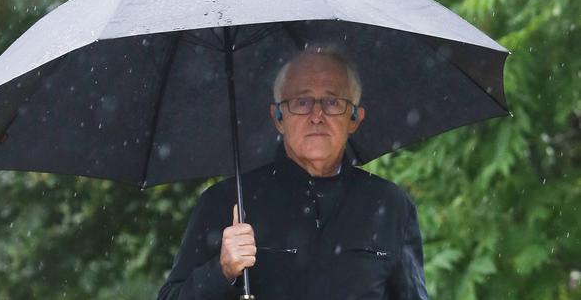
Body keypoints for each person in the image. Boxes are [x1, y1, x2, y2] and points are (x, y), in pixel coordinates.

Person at [157, 48, 429, 300]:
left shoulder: (391, 205)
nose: (317, 115)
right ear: (278, 118)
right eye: (301, 101)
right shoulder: (227, 202)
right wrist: (221, 271)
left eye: (333, 102)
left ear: (355, 119)